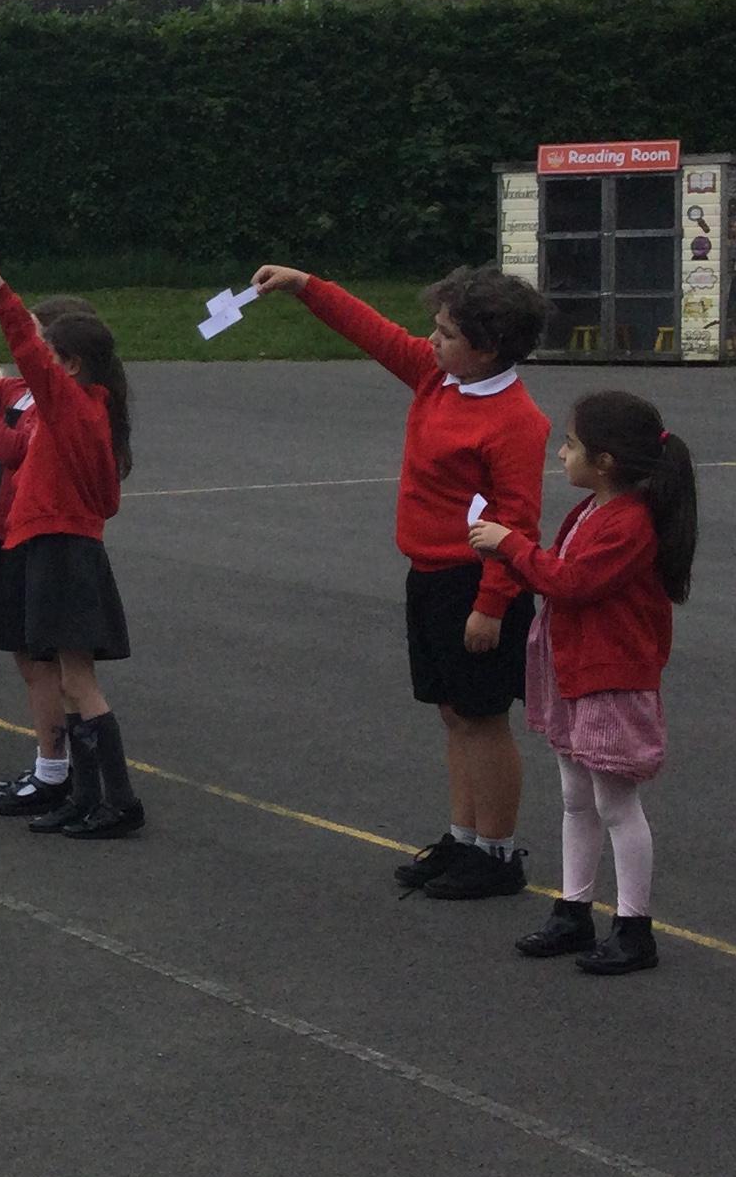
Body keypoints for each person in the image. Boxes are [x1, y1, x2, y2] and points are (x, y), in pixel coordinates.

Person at [252, 260, 551, 898]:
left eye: (447, 333)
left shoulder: (516, 420)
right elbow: (373, 331)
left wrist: (492, 605)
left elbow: (517, 521)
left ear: (488, 348)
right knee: (454, 714)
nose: (432, 340)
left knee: (483, 717)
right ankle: (464, 837)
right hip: (429, 576)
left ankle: (498, 853)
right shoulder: (437, 377)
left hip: (476, 585)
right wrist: (307, 285)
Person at [470, 390, 696, 974]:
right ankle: (573, 910)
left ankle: (634, 926)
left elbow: (572, 582)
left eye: (570, 445)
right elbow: (557, 572)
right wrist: (515, 555)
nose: (560, 454)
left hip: (610, 675)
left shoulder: (630, 524)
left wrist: (509, 545)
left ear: (606, 462)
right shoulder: (593, 509)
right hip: (574, 668)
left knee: (615, 803)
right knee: (577, 798)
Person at [0, 236, 143, 837]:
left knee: (78, 680)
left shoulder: (71, 406)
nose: (36, 364)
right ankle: (85, 795)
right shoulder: (82, 409)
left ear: (71, 364)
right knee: (67, 677)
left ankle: (117, 800)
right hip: (57, 548)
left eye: (48, 355)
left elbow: (23, 344)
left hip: (63, 550)